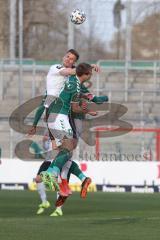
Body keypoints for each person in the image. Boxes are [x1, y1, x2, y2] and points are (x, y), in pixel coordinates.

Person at [40, 63, 100, 195]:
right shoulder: (75, 86)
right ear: (87, 75)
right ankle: (51, 172)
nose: (91, 75)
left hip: (54, 115)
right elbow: (74, 108)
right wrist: (89, 111)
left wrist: (89, 65)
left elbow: (78, 69)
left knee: (65, 150)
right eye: (90, 73)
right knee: (69, 146)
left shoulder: (72, 80)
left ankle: (55, 175)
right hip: (59, 116)